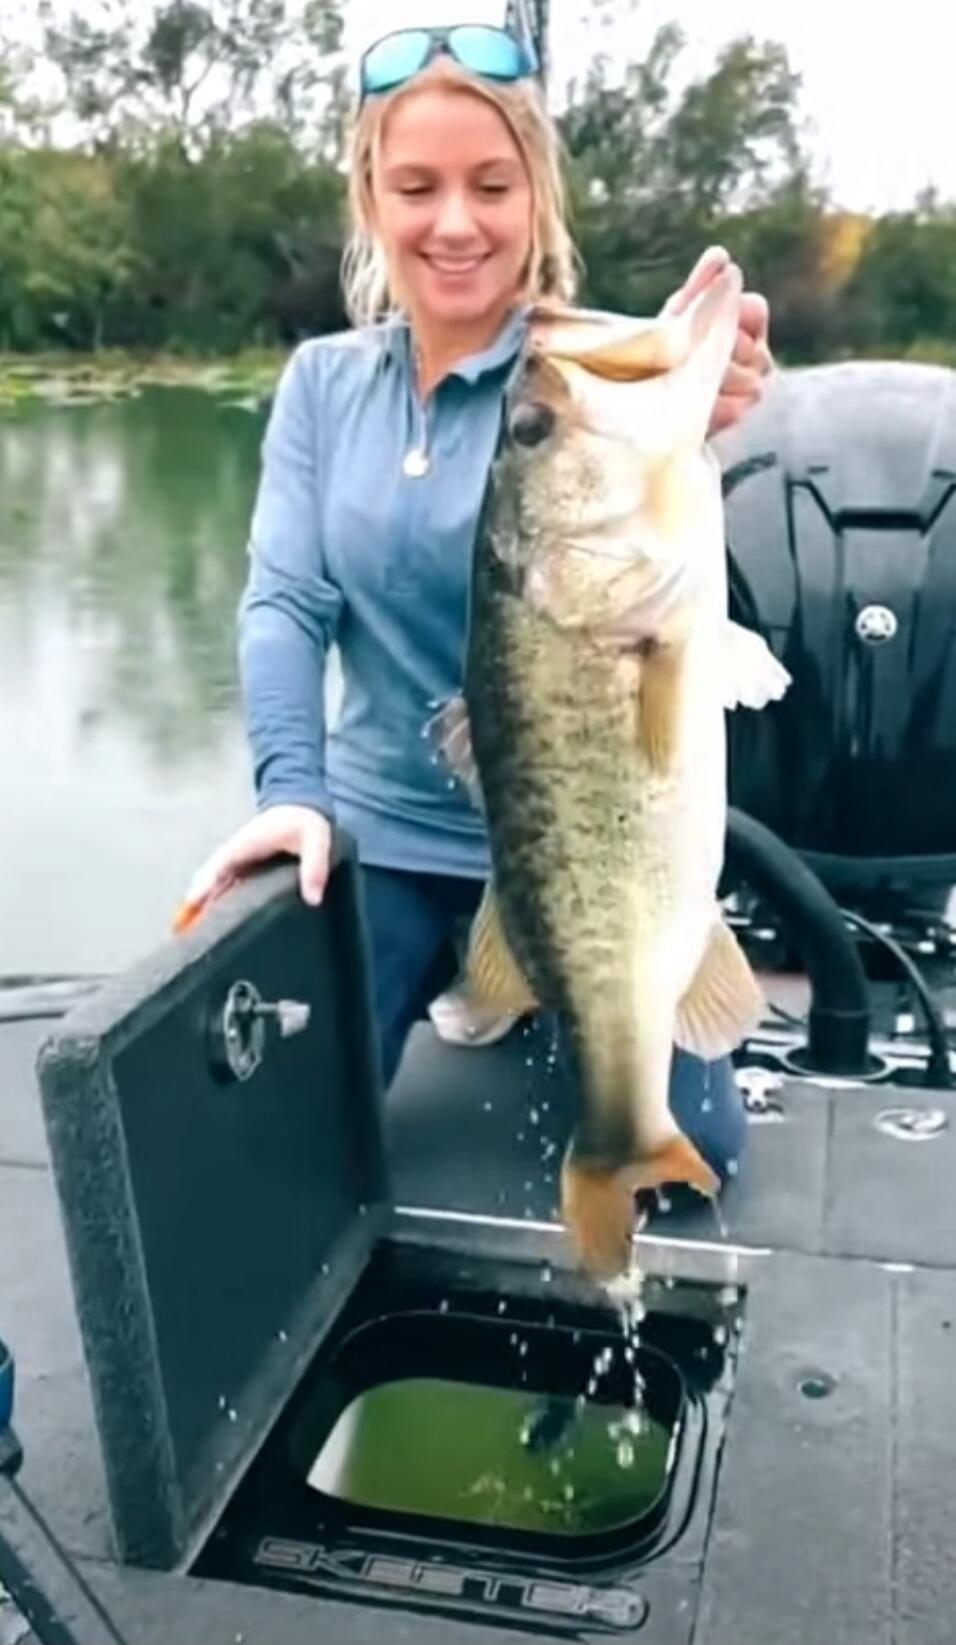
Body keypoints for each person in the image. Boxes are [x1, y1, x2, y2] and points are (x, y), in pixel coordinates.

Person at [180, 22, 773, 1177]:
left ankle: (525, 988)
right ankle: (476, 978)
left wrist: (720, 374)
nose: (455, 222)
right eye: (417, 186)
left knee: (691, 1146)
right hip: (385, 831)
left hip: (587, 854)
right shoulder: (321, 385)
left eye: (490, 184)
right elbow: (284, 604)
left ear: (535, 194)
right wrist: (289, 790)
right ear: (371, 199)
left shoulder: (594, 375)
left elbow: (690, 394)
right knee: (284, 1141)